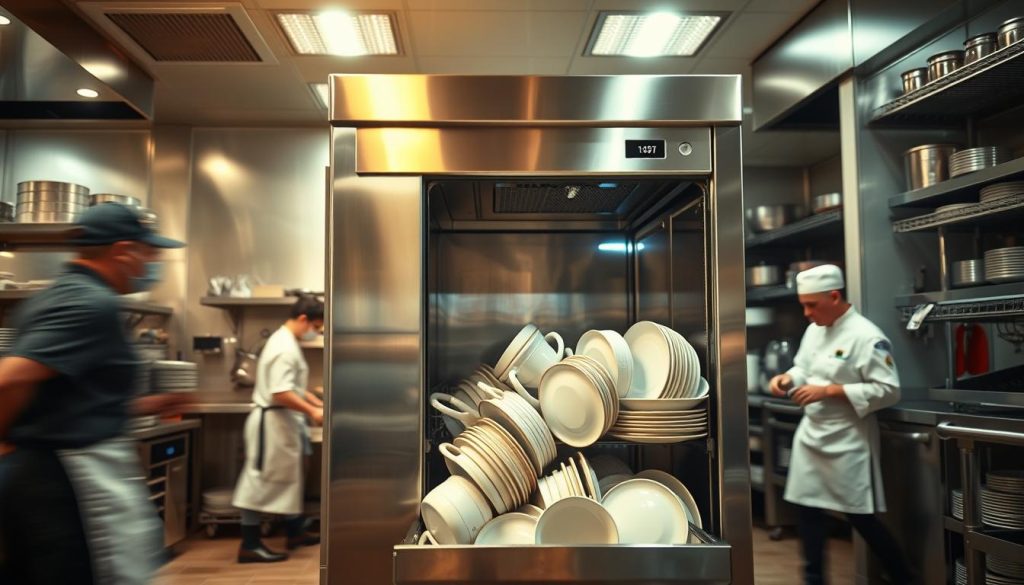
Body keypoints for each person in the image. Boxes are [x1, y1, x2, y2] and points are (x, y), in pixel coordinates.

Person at [0, 203, 188, 585]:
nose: (150, 264)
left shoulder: (56, 296)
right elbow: (9, 379)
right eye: (149, 252)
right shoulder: (91, 303)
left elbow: (68, 393)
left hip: (53, 472)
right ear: (123, 251)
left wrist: (147, 405)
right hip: (66, 481)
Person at [769, 264, 915, 585]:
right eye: (803, 305)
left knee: (860, 518)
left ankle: (905, 579)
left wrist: (830, 391)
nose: (806, 313)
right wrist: (786, 378)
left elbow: (888, 390)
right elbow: (803, 367)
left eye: (812, 305)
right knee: (808, 512)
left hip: (848, 438)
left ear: (834, 296)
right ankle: (814, 579)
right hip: (813, 436)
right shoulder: (815, 329)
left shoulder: (867, 337)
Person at [232, 295, 324, 563]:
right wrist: (312, 411)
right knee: (258, 483)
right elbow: (280, 392)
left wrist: (314, 401)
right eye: (316, 328)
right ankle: (249, 544)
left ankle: (294, 532)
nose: (315, 333)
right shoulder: (283, 347)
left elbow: (292, 387)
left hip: (282, 423)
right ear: (303, 319)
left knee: (288, 479)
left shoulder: (286, 342)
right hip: (271, 425)